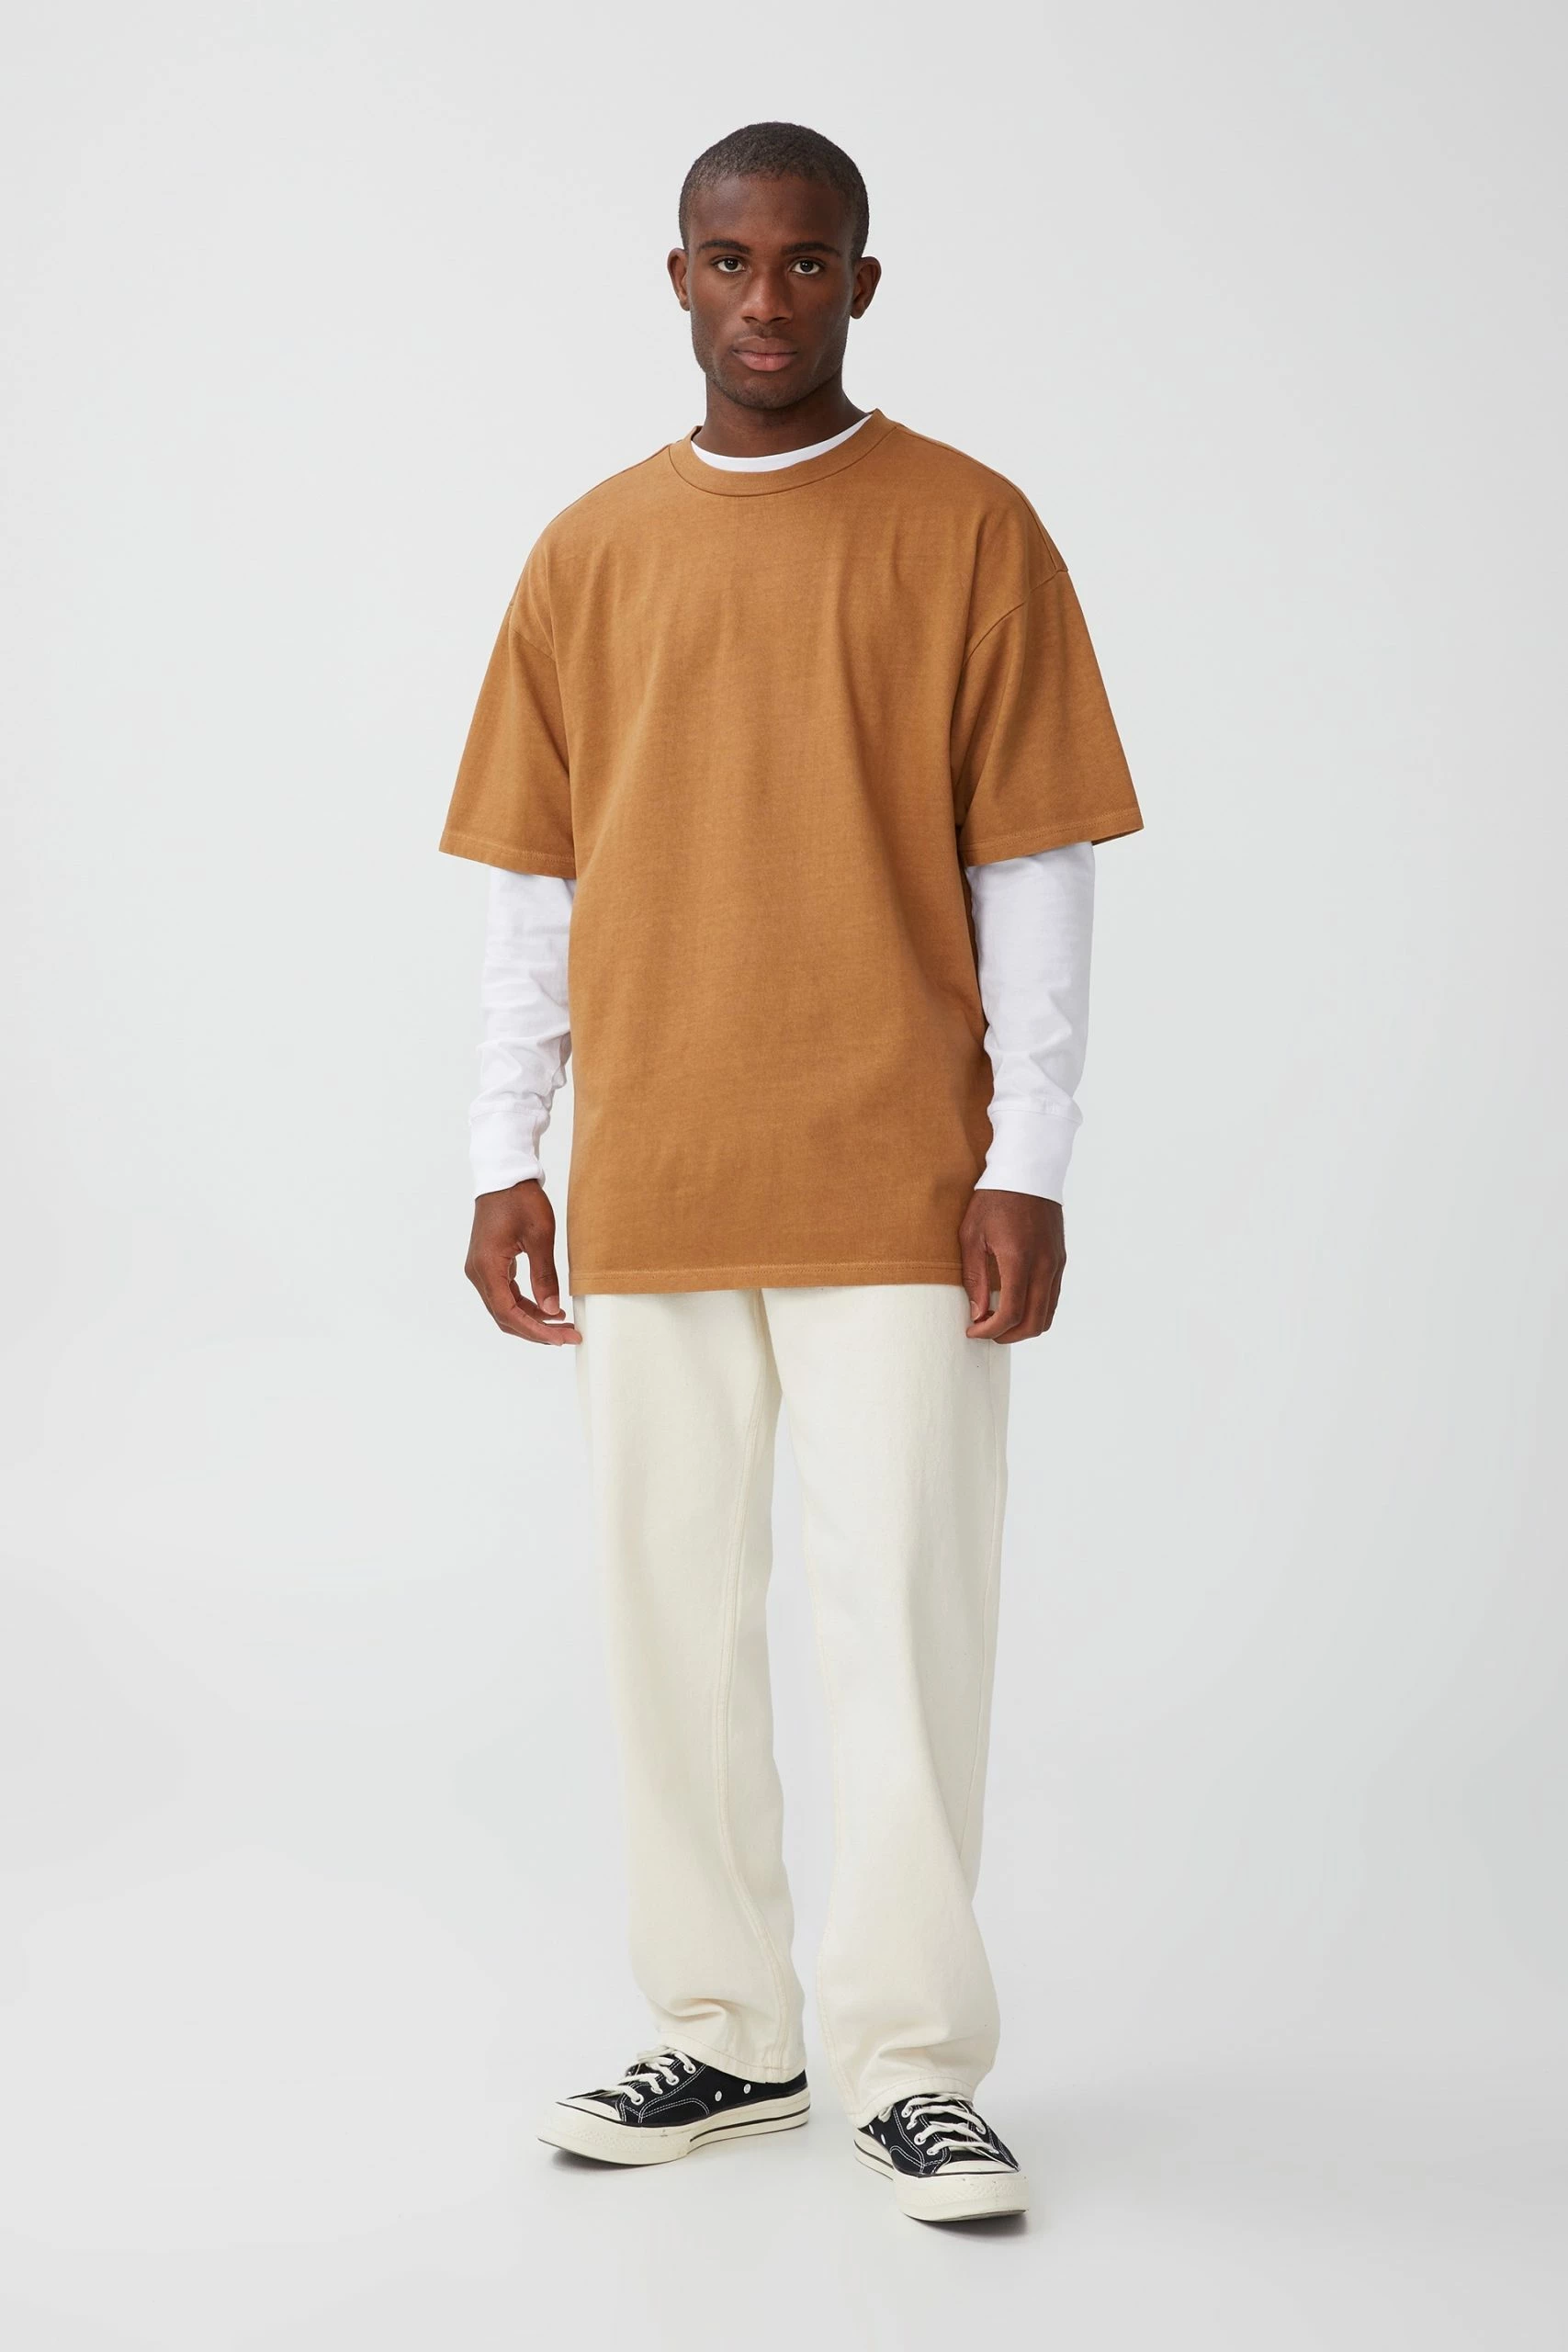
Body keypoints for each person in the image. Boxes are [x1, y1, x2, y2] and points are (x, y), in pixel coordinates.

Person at [439, 120, 1142, 2225]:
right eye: (732, 260)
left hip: (897, 1177)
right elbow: (537, 887)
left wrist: (1026, 1156)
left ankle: (911, 2058)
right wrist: (502, 1148)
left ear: (861, 281)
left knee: (901, 1622)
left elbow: (1037, 861)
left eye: (807, 262)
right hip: (654, 1168)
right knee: (670, 1620)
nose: (768, 299)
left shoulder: (968, 528)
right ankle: (728, 2031)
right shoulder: (587, 551)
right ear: (676, 275)